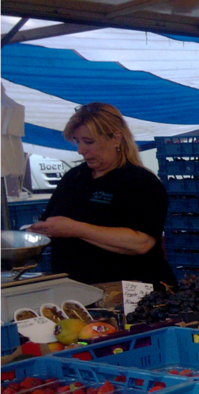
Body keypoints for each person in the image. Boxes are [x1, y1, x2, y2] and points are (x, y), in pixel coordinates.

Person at [30, 103, 176, 288]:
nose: (81, 150)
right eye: (77, 141)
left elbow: (141, 242)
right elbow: (50, 224)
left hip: (130, 292)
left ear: (116, 138)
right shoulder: (74, 177)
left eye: (88, 142)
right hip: (77, 291)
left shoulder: (141, 181)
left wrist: (75, 229)